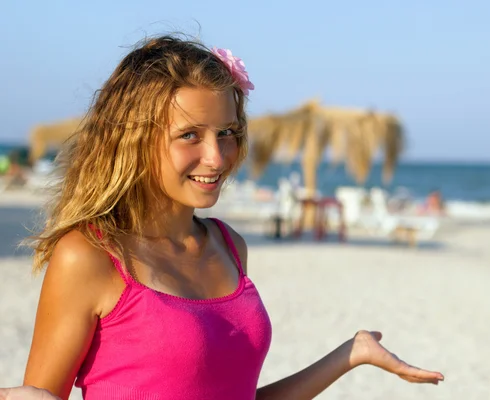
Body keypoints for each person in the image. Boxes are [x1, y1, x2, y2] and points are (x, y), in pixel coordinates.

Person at [4, 35, 444, 400]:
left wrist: (349, 354)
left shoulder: (229, 246)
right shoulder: (90, 256)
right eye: (189, 135)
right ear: (134, 141)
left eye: (227, 134)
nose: (216, 158)